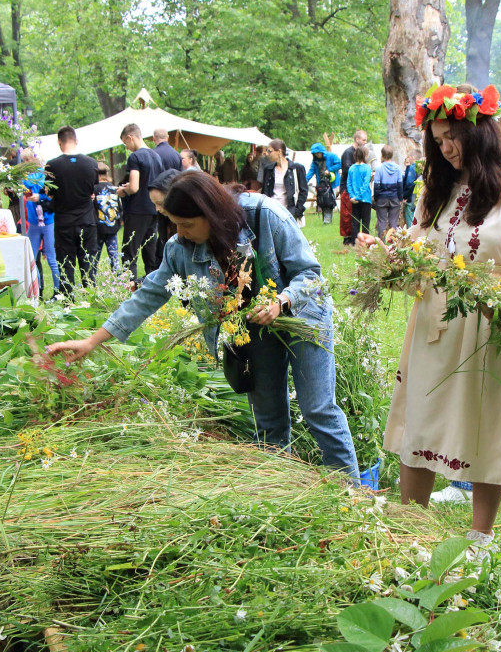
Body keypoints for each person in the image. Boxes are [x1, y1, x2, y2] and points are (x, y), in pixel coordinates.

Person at [358, 82, 501, 550]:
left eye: (452, 136)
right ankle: (411, 525)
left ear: (480, 132)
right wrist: (391, 260)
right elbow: (419, 250)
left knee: (489, 423)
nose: (446, 148)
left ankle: (481, 535)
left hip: (493, 327)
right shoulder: (438, 191)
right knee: (421, 417)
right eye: (438, 139)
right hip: (434, 326)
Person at [47, 170, 359, 477]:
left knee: (318, 409)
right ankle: (280, 490)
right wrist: (92, 341)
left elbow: (311, 276)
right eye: (175, 224)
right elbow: (147, 296)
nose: (180, 233)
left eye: (186, 224)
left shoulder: (265, 215)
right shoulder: (179, 249)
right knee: (268, 420)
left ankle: (353, 494)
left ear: (211, 213)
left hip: (303, 315)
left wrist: (281, 301)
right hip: (252, 329)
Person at [45, 126, 98, 293]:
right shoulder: (91, 163)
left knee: (65, 264)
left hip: (64, 222)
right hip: (87, 220)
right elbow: (92, 191)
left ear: (59, 142)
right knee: (88, 265)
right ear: (76, 141)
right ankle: (91, 299)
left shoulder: (52, 166)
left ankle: (67, 301)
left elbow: (50, 194)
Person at [117, 123, 165, 278]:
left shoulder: (135, 157)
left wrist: (123, 190)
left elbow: (135, 187)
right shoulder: (156, 156)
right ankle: (152, 282)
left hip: (137, 209)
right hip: (153, 209)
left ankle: (129, 285)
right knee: (150, 252)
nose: (127, 147)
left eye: (126, 143)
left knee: (129, 252)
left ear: (130, 137)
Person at [20, 149, 59, 297]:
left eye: (27, 160)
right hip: (34, 222)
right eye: (23, 161)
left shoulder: (44, 174)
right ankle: (36, 290)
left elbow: (51, 195)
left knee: (51, 257)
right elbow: (24, 184)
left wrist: (40, 196)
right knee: (31, 257)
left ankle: (58, 291)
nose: (25, 164)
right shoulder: (26, 177)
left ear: (35, 159)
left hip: (48, 220)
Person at [258, 139, 308, 225]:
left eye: (269, 151)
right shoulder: (268, 169)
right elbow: (265, 191)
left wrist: (298, 209)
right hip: (272, 211)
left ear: (279, 151)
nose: (267, 153)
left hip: (289, 211)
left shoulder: (296, 168)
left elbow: (303, 190)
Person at [339, 130, 368, 248]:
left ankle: (356, 238)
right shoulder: (348, 153)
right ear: (357, 139)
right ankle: (348, 239)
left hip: (359, 190)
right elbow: (347, 170)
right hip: (348, 188)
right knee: (347, 215)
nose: (365, 142)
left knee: (356, 215)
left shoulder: (362, 154)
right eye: (364, 140)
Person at [94, 161, 123, 274]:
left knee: (95, 255)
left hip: (98, 227)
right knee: (114, 255)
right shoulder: (114, 188)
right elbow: (120, 207)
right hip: (112, 226)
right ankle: (118, 276)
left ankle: (91, 276)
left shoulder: (94, 189)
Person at [305, 142, 341, 225]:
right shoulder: (315, 161)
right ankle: (326, 220)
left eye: (318, 153)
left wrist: (330, 170)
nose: (317, 155)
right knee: (323, 202)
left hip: (333, 184)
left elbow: (340, 164)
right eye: (315, 154)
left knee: (329, 202)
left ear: (322, 151)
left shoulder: (331, 156)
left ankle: (328, 221)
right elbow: (311, 171)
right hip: (321, 185)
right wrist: (305, 180)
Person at [373, 145, 404, 239]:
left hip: (382, 198)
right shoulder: (398, 168)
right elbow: (400, 185)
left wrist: (377, 198)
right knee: (393, 222)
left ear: (382, 155)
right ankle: (393, 242)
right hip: (394, 197)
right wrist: (400, 198)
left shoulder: (379, 169)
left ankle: (382, 242)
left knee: (382, 221)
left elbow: (376, 185)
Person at [345, 144, 372, 246]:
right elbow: (365, 185)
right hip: (365, 199)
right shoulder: (367, 168)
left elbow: (349, 183)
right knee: (365, 223)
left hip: (354, 200)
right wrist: (358, 196)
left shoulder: (351, 168)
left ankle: (354, 242)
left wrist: (352, 196)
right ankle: (365, 243)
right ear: (365, 155)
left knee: (355, 222)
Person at [401, 150, 418, 228]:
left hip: (411, 199)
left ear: (413, 157)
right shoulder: (422, 168)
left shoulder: (412, 167)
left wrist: (404, 196)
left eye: (409, 157)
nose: (408, 158)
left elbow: (409, 183)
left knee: (410, 222)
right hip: (418, 199)